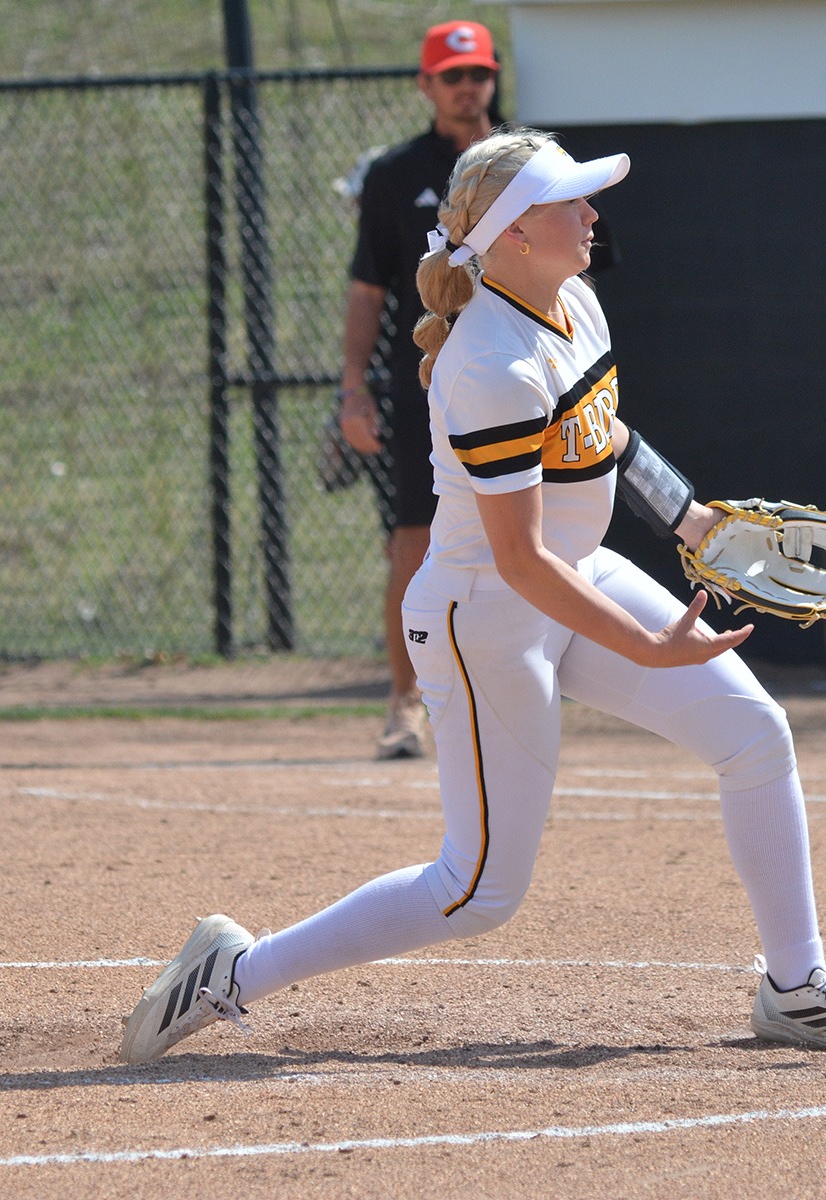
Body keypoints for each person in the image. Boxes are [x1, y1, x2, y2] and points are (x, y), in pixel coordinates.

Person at [118, 129, 826, 1064]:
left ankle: (797, 990)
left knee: (754, 733)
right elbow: (519, 560)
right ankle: (229, 974)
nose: (590, 215)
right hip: (484, 619)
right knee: (477, 889)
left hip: (564, 581)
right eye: (567, 202)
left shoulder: (573, 297)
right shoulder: (489, 366)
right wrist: (645, 644)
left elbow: (604, 433)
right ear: (511, 238)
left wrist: (691, 521)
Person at [336, 19, 503, 760]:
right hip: (427, 384)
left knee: (537, 532)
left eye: (478, 73)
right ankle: (406, 702)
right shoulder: (397, 173)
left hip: (520, 378)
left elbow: (582, 272)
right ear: (426, 84)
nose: (468, 87)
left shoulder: (527, 162)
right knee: (413, 539)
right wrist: (352, 389)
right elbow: (369, 289)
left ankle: (510, 692)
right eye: (452, 75)